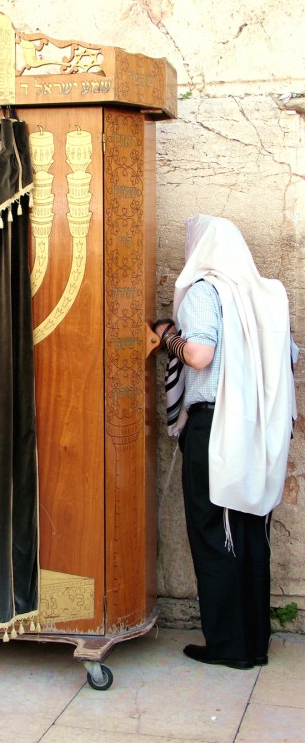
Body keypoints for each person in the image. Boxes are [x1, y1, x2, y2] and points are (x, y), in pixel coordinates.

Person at [154, 214, 298, 670]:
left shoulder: (204, 291)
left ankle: (228, 646)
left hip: (215, 426)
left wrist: (167, 337)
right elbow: (289, 359)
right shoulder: (268, 297)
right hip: (260, 430)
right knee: (252, 531)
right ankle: (255, 643)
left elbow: (199, 354)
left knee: (215, 533)